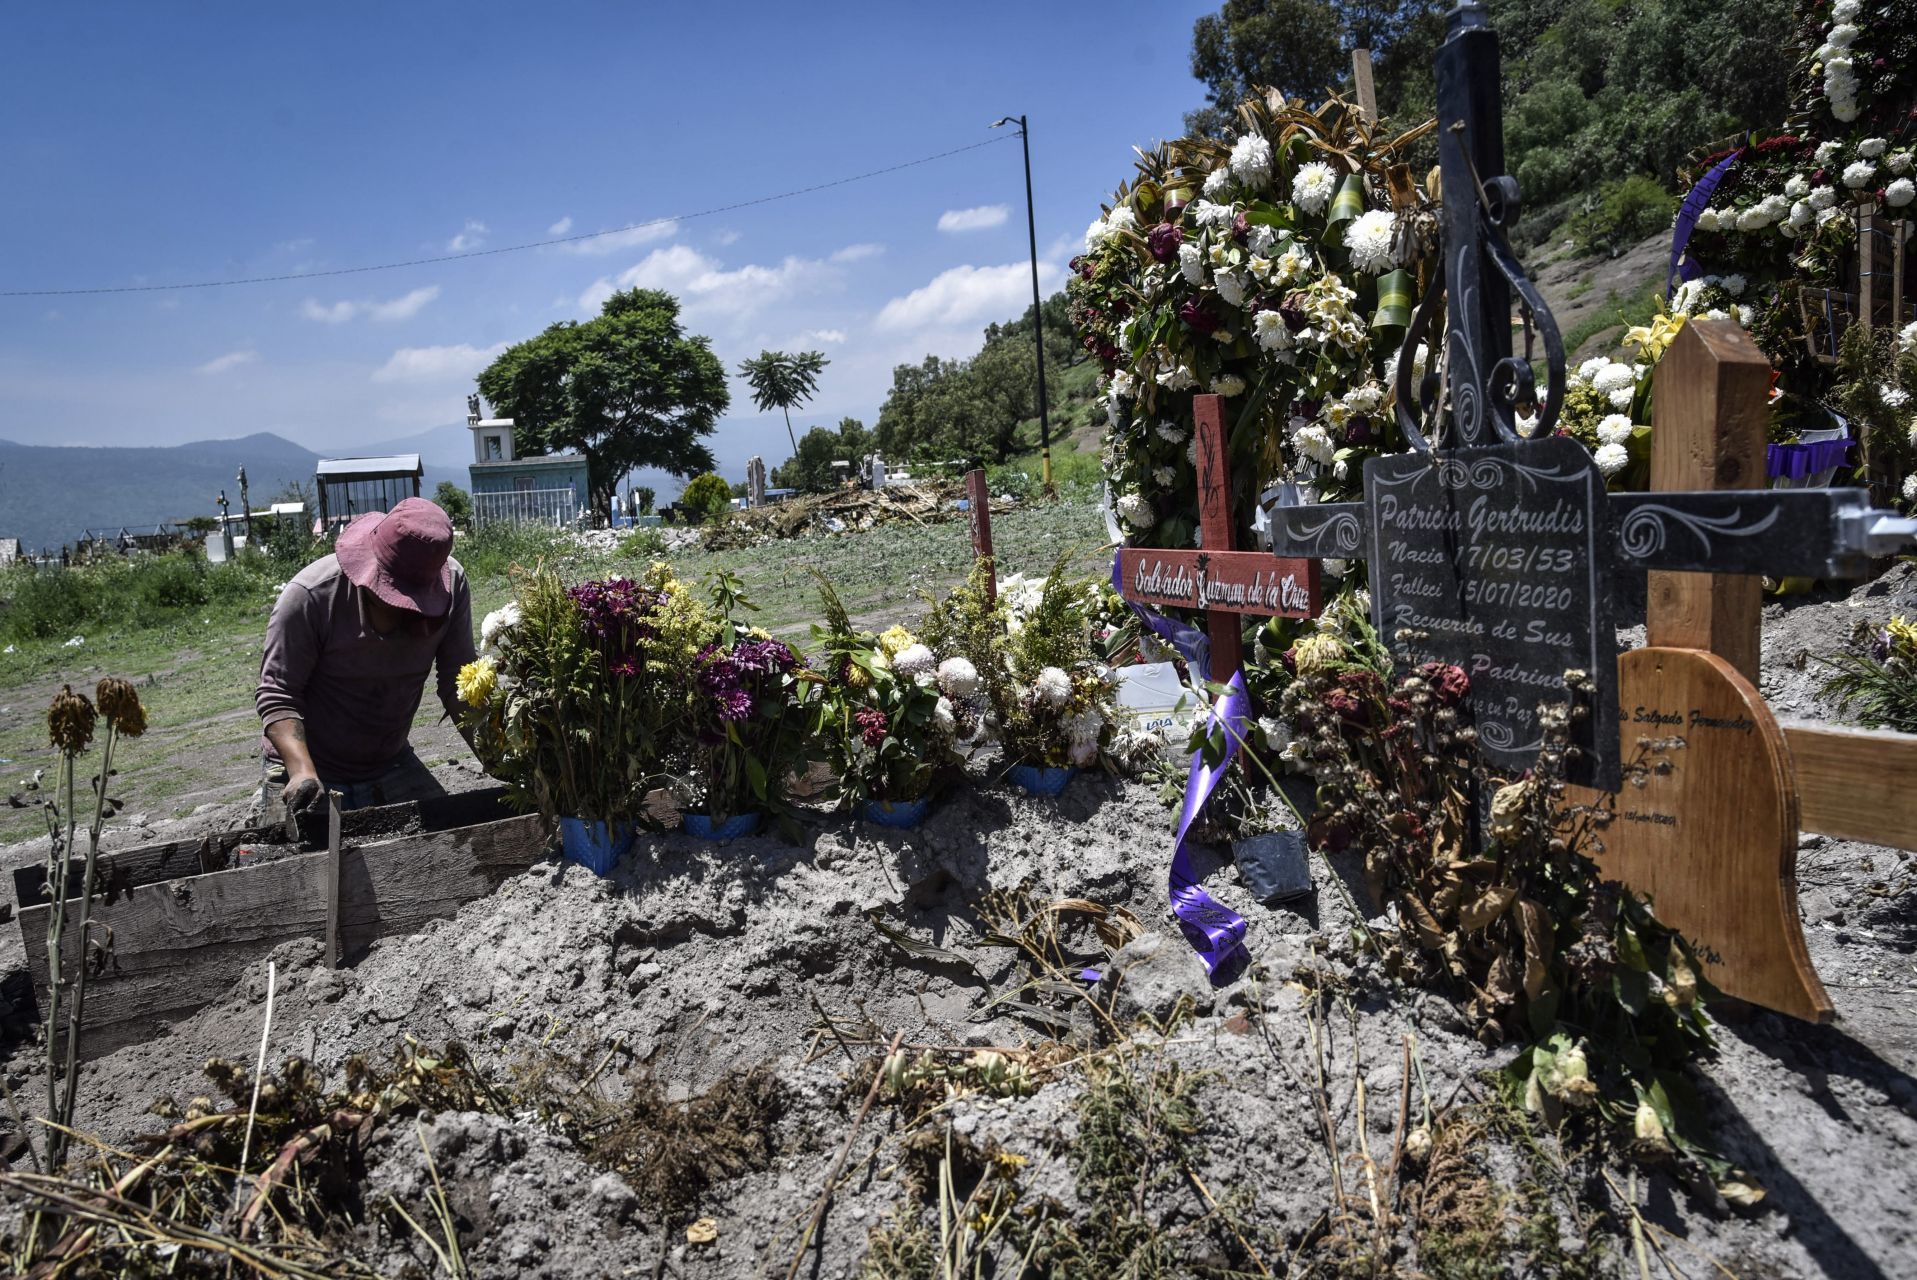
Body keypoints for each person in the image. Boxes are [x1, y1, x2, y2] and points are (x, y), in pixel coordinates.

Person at [256, 497, 476, 815]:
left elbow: (461, 682)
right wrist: (302, 769)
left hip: (390, 763)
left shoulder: (452, 587)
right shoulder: (310, 597)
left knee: (450, 842)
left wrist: (503, 761)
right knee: (290, 861)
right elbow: (278, 695)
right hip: (308, 766)